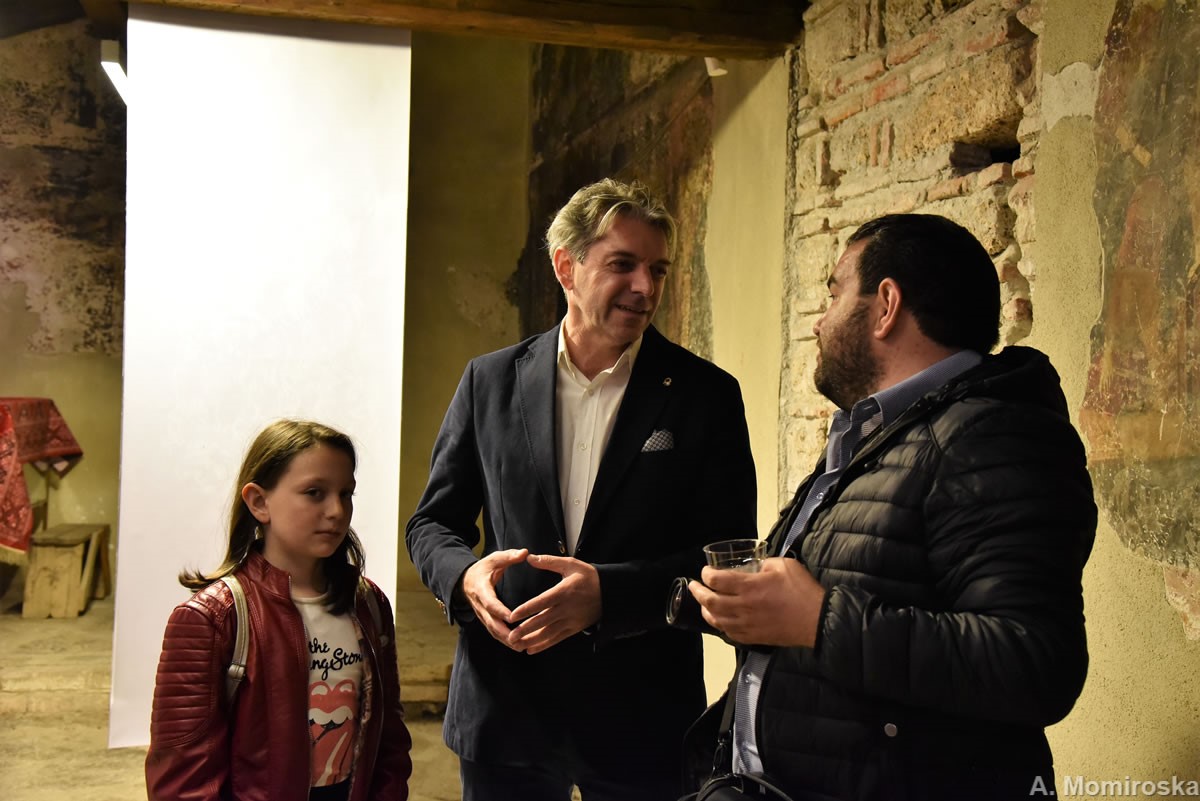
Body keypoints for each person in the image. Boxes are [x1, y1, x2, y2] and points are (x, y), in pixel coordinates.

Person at [684, 214, 1097, 801]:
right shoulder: (883, 432)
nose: (819, 321)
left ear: (885, 305)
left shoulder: (990, 435)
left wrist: (817, 620)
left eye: (833, 294)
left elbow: (1035, 664)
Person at [406, 178, 757, 801]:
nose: (645, 286)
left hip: (641, 718)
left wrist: (610, 596)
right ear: (566, 267)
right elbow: (433, 524)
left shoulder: (706, 395)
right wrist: (464, 578)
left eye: (657, 269)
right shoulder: (490, 380)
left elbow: (728, 557)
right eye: (623, 265)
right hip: (504, 709)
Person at [146, 419, 413, 801]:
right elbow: (183, 775)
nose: (337, 510)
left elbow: (389, 739)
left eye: (346, 493)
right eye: (314, 493)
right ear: (259, 502)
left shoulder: (369, 605)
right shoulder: (213, 618)